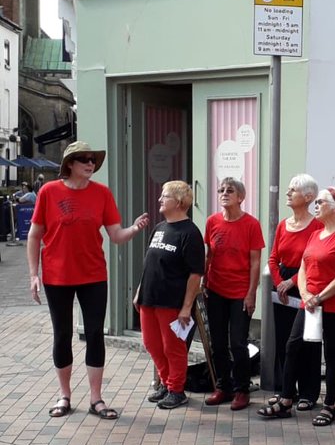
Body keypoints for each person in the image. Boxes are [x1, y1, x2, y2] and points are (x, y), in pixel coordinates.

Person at [27, 140, 149, 419]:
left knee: (95, 334)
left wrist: (134, 228)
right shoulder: (48, 192)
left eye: (93, 159)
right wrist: (34, 275)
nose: (90, 164)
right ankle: (64, 396)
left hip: (93, 275)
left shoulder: (102, 194)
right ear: (70, 163)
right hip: (57, 276)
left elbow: (116, 236)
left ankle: (96, 399)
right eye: (84, 159)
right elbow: (34, 236)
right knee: (62, 334)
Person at [259, 186, 335, 427]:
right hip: (310, 302)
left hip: (333, 304)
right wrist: (305, 294)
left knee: (331, 353)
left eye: (321, 202)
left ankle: (329, 405)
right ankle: (285, 400)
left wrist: (319, 297)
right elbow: (303, 268)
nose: (316, 205)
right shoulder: (316, 235)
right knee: (293, 346)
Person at [134, 181, 205, 410]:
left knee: (172, 347)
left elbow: (195, 275)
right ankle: (165, 383)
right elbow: (149, 264)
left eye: (165, 196)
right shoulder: (159, 228)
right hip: (149, 298)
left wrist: (186, 306)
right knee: (151, 344)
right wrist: (139, 292)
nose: (160, 200)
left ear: (180, 202)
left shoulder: (190, 233)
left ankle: (176, 389)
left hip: (172, 302)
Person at [203, 177, 265, 411]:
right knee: (217, 342)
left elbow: (255, 262)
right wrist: (204, 282)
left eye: (230, 190)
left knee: (237, 343)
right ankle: (223, 387)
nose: (224, 193)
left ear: (241, 197)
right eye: (221, 190)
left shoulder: (251, 224)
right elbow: (209, 255)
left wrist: (251, 294)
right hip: (215, 290)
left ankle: (242, 390)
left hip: (240, 291)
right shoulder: (212, 222)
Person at [268, 174, 321, 407]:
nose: (288, 193)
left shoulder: (317, 226)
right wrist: (280, 282)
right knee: (284, 339)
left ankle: (308, 393)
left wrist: (291, 281)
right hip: (281, 288)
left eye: (293, 190)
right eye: (288, 189)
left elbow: (311, 262)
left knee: (306, 340)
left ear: (308, 197)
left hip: (306, 285)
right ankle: (286, 389)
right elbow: (273, 257)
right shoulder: (283, 224)